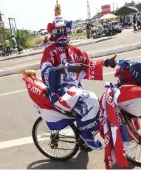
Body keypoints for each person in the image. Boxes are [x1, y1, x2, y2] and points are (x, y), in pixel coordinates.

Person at [40, 15, 117, 150]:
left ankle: (83, 137)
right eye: (59, 31)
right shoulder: (49, 50)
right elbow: (45, 69)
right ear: (53, 33)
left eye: (65, 31)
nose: (63, 34)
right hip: (59, 92)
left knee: (96, 105)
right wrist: (63, 68)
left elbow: (88, 61)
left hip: (74, 88)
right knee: (91, 99)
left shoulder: (72, 49)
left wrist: (106, 62)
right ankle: (85, 134)